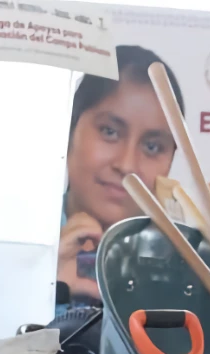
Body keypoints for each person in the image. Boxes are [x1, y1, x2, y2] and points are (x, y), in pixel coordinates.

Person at [57, 46, 184, 306]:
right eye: (110, 132)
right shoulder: (10, 242)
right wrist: (45, 286)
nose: (126, 165)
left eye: (152, 147)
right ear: (69, 129)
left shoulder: (186, 277)